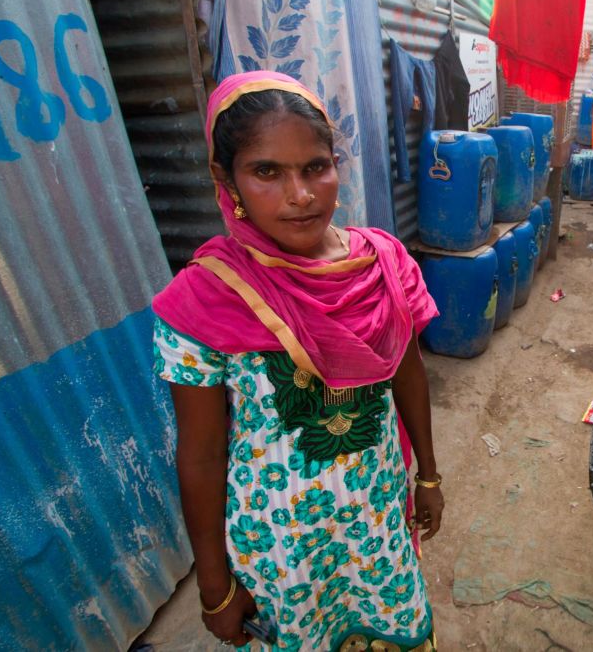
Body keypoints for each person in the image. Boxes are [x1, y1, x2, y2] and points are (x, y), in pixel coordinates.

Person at [151, 71, 443, 650]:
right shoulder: (205, 299)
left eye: (315, 166)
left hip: (376, 517)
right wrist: (215, 586)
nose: (301, 194)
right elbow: (204, 455)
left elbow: (407, 373)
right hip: (281, 548)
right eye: (266, 172)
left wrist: (427, 476)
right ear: (225, 181)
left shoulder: (384, 264)